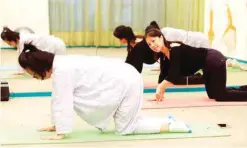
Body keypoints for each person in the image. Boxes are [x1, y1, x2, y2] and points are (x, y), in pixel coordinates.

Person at [18, 43, 191, 140]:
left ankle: (175, 126)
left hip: (127, 82)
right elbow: (57, 98)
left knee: (126, 129)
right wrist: (56, 125)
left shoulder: (62, 70)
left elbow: (63, 101)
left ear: (38, 67)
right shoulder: (60, 64)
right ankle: (167, 120)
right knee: (127, 123)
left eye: (31, 72)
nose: (32, 76)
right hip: (123, 79)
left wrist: (60, 133)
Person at [144, 28, 247, 102]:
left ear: (161, 37)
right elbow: (163, 75)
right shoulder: (163, 56)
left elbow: (173, 75)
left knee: (220, 96)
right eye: (149, 44)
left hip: (214, 59)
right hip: (207, 64)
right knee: (212, 95)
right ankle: (244, 88)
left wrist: (161, 87)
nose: (152, 45)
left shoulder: (174, 49)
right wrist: (158, 94)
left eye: (153, 41)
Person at [113, 22, 204, 85]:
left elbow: (136, 66)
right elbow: (130, 62)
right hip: (163, 57)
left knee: (174, 78)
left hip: (167, 55)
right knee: (168, 78)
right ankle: (195, 77)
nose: (120, 41)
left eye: (119, 39)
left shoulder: (138, 45)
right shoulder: (134, 46)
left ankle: (200, 78)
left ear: (124, 38)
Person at [1, 26, 66, 74]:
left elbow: (21, 57)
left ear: (11, 39)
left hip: (56, 46)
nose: (9, 45)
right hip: (55, 44)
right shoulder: (21, 37)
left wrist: (20, 72)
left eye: (9, 43)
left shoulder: (23, 40)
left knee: (59, 68)